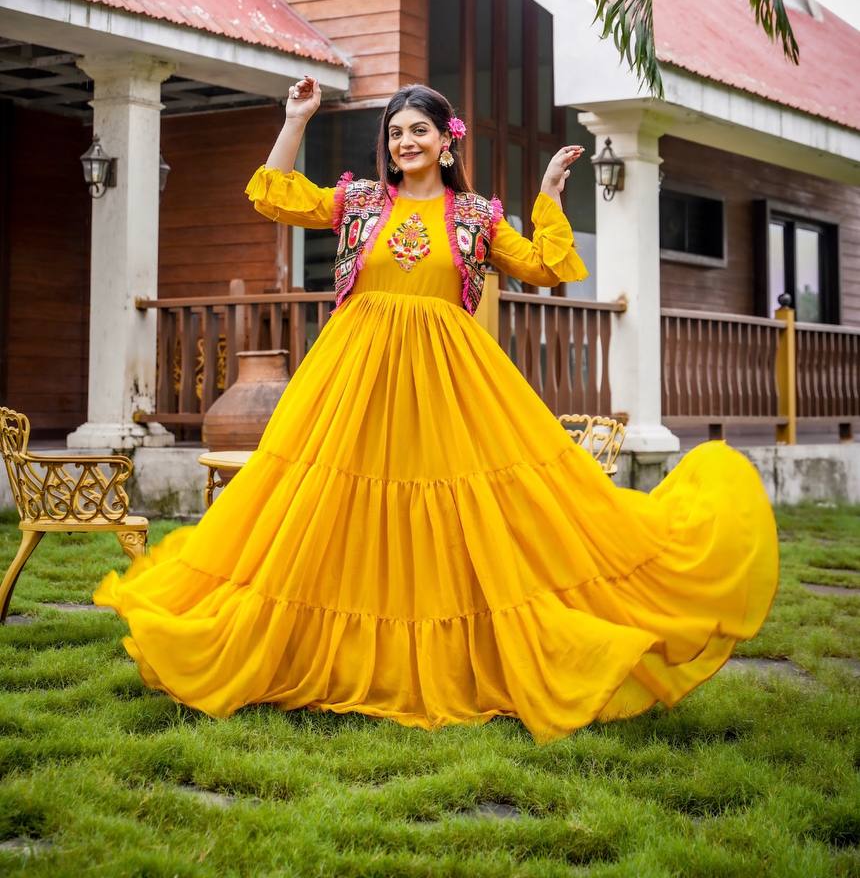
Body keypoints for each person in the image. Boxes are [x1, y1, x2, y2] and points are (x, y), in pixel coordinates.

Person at [95, 80, 778, 742]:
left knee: (458, 509)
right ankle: (326, 651)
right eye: (394, 133)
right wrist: (295, 120)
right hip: (353, 382)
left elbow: (546, 266)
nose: (405, 141)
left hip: (450, 384)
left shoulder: (478, 217)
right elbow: (272, 197)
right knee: (330, 508)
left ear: (446, 142)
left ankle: (456, 656)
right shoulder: (360, 201)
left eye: (418, 129)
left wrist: (545, 197)